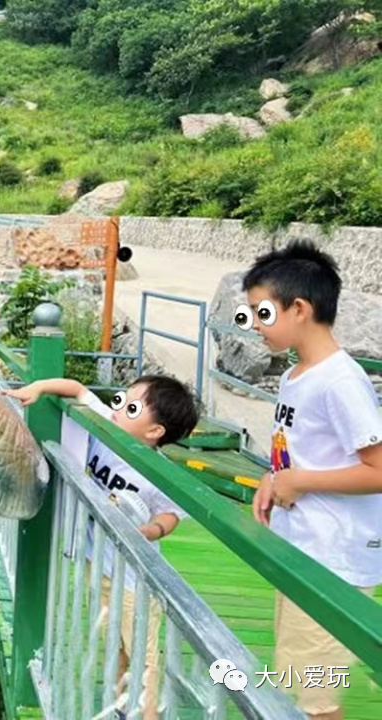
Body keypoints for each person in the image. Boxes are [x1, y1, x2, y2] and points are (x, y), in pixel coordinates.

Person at [240, 239, 382, 720]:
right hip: (303, 552)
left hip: (332, 561)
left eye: (261, 313)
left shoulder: (339, 381)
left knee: (316, 702)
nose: (254, 326)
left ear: (299, 308)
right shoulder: (296, 376)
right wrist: (274, 479)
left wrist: (301, 482)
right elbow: (295, 454)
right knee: (300, 682)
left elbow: (378, 470)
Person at [3, 373, 199, 720]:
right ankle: (125, 708)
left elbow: (171, 514)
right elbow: (78, 389)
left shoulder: (156, 471)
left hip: (134, 579)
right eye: (123, 399)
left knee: (143, 653)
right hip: (100, 566)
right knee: (120, 647)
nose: (120, 406)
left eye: (133, 407)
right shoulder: (108, 424)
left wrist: (151, 531)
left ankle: (149, 713)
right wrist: (38, 388)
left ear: (154, 432)